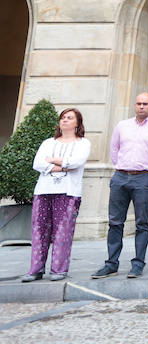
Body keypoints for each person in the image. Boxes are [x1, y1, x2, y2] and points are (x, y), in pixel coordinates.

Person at [92, 93, 148, 280]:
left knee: (142, 223)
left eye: (145, 103)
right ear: (134, 105)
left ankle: (138, 264)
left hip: (144, 178)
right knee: (115, 222)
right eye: (138, 103)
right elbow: (114, 149)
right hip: (120, 177)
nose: (141, 106)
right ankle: (111, 264)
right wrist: (124, 167)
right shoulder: (122, 126)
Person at [22, 108, 91, 282]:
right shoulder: (48, 143)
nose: (65, 120)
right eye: (63, 118)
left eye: (69, 118)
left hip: (68, 192)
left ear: (77, 123)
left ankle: (59, 269)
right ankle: (35, 269)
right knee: (39, 230)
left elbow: (77, 162)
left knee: (63, 231)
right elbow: (37, 163)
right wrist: (63, 166)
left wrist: (52, 161)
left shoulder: (83, 143)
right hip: (43, 190)